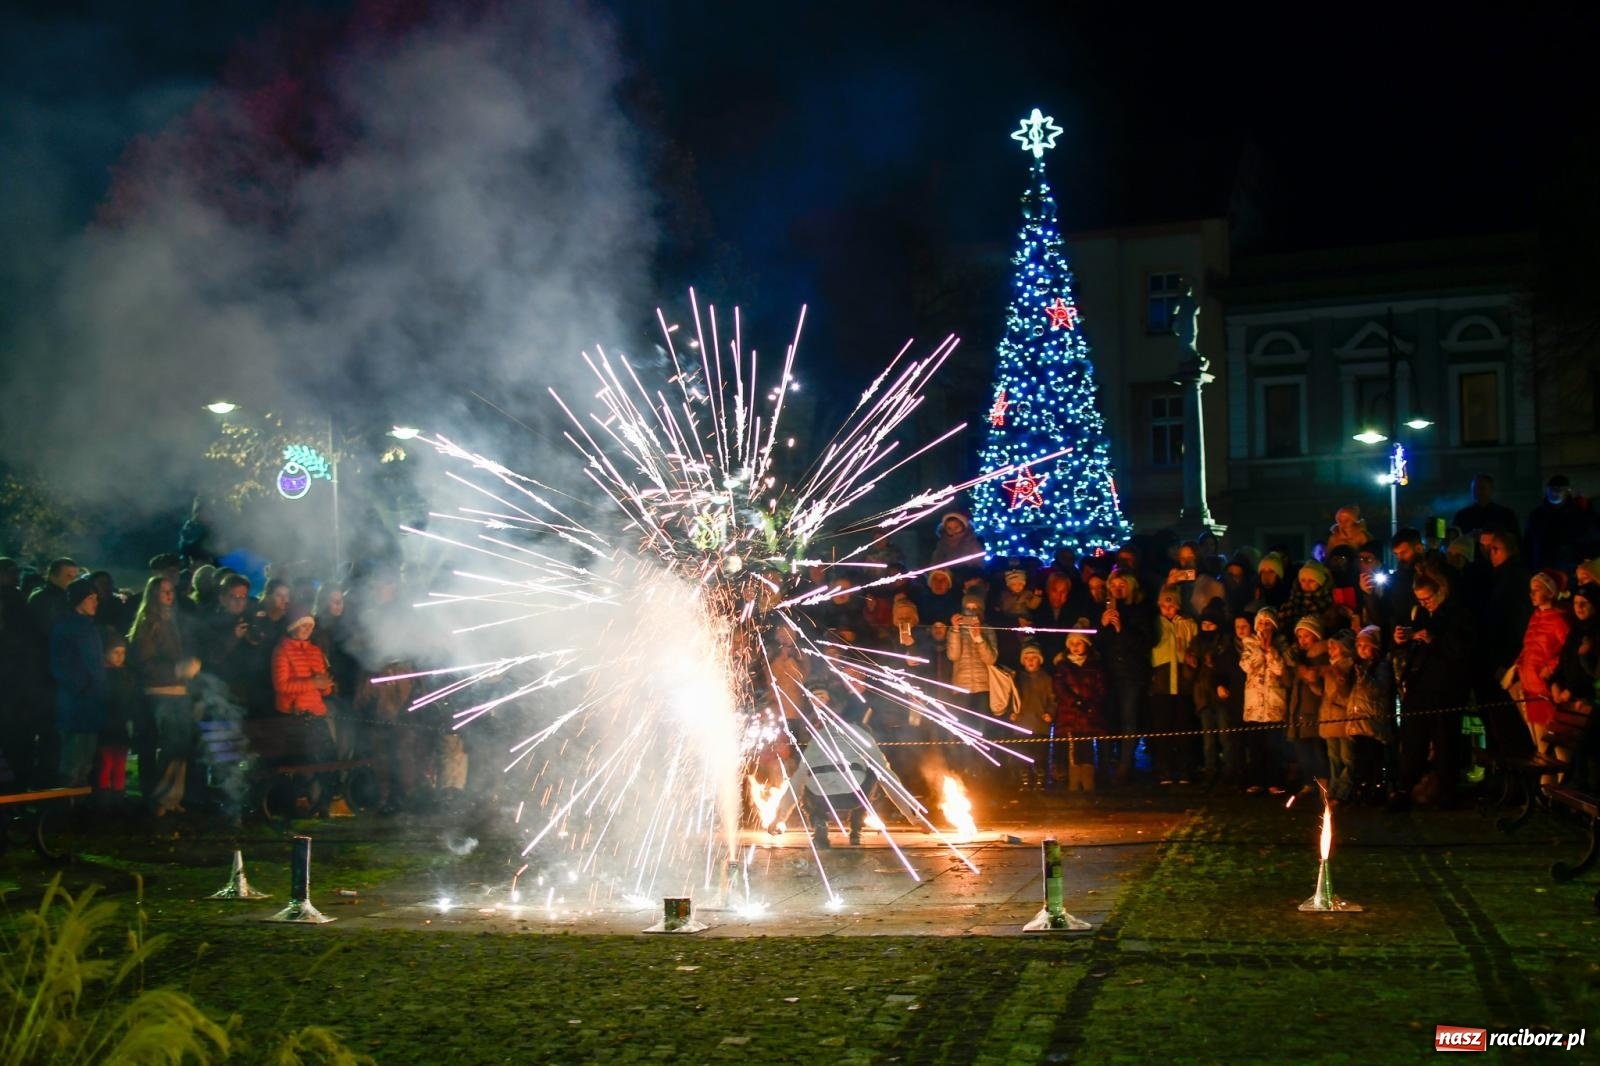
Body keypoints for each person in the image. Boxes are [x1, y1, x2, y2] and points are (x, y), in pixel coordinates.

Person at [1392, 571, 1474, 810]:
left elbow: (1461, 650)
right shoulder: (1421, 615)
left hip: (1445, 688)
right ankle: (1406, 787)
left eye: (1427, 599)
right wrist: (1401, 639)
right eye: (1420, 600)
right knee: (1412, 741)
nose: (1424, 604)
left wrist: (1433, 640)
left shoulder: (1458, 615)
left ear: (1441, 592)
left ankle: (1446, 792)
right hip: (1419, 687)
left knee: (1445, 741)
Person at [779, 687, 889, 848]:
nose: (818, 699)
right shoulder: (805, 718)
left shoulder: (838, 717)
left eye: (822, 696)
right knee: (806, 777)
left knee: (866, 775)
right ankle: (820, 827)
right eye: (814, 696)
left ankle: (855, 830)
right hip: (820, 777)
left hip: (847, 780)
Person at [128, 575, 200, 817]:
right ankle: (160, 798)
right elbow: (144, 662)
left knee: (181, 747)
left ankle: (172, 796)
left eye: (171, 591)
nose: (169, 596)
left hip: (180, 691)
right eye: (163, 591)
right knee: (170, 746)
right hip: (159, 692)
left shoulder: (174, 622)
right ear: (153, 595)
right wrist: (176, 669)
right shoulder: (148, 623)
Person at [272, 613, 337, 816]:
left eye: (310, 626)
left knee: (329, 757)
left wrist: (326, 686)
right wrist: (313, 683)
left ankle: (325, 803)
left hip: (317, 712)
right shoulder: (282, 651)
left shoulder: (316, 651)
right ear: (293, 627)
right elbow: (281, 685)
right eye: (303, 626)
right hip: (295, 715)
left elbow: (323, 688)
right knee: (305, 760)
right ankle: (301, 800)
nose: (307, 629)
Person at [1097, 568, 1154, 785]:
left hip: (1131, 673)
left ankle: (1125, 766)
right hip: (1109, 672)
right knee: (1108, 719)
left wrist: (1122, 630)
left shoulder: (1141, 609)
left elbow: (1146, 642)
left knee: (1129, 720)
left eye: (1122, 586)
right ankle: (1105, 765)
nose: (1117, 590)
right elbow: (1100, 644)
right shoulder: (1106, 609)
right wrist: (1102, 626)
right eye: (1113, 586)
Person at [49, 577, 106, 790]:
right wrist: (82, 687)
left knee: (86, 762)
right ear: (79, 600)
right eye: (91, 598)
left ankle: (78, 809)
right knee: (72, 761)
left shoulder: (90, 627)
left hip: (91, 703)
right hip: (75, 704)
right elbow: (60, 665)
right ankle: (65, 809)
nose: (96, 602)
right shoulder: (65, 628)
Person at [1515, 569, 1573, 751]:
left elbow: (1566, 651)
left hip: (1546, 690)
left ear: (1550, 592)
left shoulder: (1559, 620)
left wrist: (1550, 669)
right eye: (1531, 589)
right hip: (1530, 687)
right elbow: (1530, 646)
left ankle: (1562, 779)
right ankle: (1545, 779)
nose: (1532, 593)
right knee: (1540, 745)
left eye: (1538, 589)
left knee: (1558, 745)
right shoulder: (1535, 616)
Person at [947, 593, 999, 781]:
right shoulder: (956, 630)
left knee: (981, 731)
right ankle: (964, 769)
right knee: (963, 731)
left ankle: (980, 770)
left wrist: (979, 638)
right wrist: (954, 630)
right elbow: (953, 656)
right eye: (968, 608)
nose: (971, 611)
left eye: (975, 608)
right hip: (961, 688)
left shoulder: (987, 629)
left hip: (983, 688)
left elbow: (991, 659)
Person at [1149, 587, 1197, 785]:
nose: (1168, 610)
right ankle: (1164, 770)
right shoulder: (1155, 624)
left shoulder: (1187, 624)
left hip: (1183, 683)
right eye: (1164, 606)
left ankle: (1185, 769)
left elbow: (1194, 645)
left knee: (1183, 728)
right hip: (1161, 682)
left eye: (1171, 606)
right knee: (1162, 729)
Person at [1240, 608, 1288, 794]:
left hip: (1274, 703)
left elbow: (1280, 669)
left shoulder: (1282, 645)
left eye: (1268, 624)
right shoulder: (1249, 644)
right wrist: (1260, 650)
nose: (1264, 627)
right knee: (1255, 746)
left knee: (1274, 746)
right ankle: (1256, 780)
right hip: (1254, 706)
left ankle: (1275, 781)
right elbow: (1247, 666)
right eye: (1261, 623)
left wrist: (1270, 650)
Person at [1347, 626, 1394, 804]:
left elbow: (1379, 690)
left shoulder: (1381, 666)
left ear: (1375, 647)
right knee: (1360, 762)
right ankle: (1362, 791)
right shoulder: (1358, 668)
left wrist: (1365, 678)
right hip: (1357, 724)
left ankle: (1376, 793)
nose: (1361, 649)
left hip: (1373, 725)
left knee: (1374, 760)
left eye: (1366, 646)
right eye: (1359, 645)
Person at [1284, 616, 1329, 794]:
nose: (1302, 640)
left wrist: (1301, 669)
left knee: (1318, 752)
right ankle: (1309, 781)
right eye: (1300, 636)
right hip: (1298, 711)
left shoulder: (1321, 657)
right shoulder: (1299, 658)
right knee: (1303, 752)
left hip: (1314, 713)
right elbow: (1289, 683)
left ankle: (1323, 783)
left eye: (1306, 636)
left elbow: (1316, 684)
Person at [98, 627, 138, 808]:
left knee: (120, 761)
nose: (120, 657)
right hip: (107, 724)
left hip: (121, 724)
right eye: (115, 652)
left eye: (123, 653)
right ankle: (105, 796)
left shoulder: (126, 674)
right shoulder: (103, 674)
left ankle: (119, 795)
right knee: (106, 762)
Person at [1525, 475, 1596, 573]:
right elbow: (1528, 544)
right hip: (1544, 573)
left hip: (1571, 572)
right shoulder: (1536, 516)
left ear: (1567, 491)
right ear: (1547, 490)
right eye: (1553, 489)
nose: (1555, 492)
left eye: (1560, 489)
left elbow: (1590, 543)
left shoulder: (1579, 515)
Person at [1011, 642, 1057, 790]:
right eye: (1027, 658)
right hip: (1022, 725)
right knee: (1022, 754)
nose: (1030, 661)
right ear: (1022, 661)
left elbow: (1053, 699)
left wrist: (1050, 713)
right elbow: (1011, 698)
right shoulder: (1016, 679)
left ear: (1040, 660)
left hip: (1040, 725)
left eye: (1034, 657)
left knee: (1040, 755)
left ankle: (1040, 779)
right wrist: (1011, 713)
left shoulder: (1046, 678)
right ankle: (1024, 779)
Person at [1318, 631, 1357, 803]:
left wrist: (1340, 679)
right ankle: (1333, 791)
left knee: (1347, 758)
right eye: (1330, 647)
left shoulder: (1348, 666)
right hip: (1329, 718)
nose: (1331, 650)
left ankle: (1343, 792)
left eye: (1335, 647)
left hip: (1342, 718)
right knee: (1334, 757)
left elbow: (1346, 693)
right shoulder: (1330, 667)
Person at [1453, 473, 1520, 540]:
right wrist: (1469, 536)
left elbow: (1516, 538)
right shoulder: (1461, 516)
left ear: (1492, 490)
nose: (1478, 491)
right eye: (1475, 488)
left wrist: (1493, 536)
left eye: (1482, 488)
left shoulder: (1506, 514)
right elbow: (1453, 541)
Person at [930, 511, 985, 578]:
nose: (953, 531)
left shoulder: (971, 541)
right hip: (948, 575)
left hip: (968, 574)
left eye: (956, 527)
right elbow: (937, 559)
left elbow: (978, 560)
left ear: (963, 526)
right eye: (949, 528)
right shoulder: (942, 543)